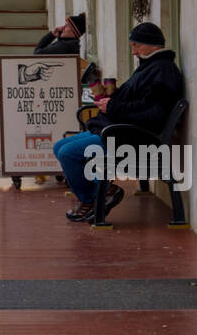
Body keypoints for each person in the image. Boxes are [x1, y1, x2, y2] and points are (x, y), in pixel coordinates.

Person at [52, 21, 185, 223]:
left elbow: (154, 114)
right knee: (59, 146)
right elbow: (138, 102)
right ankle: (105, 191)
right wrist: (110, 103)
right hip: (121, 131)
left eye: (136, 46)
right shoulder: (150, 67)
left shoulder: (163, 71)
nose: (133, 51)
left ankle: (92, 198)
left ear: (153, 45)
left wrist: (113, 107)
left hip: (134, 138)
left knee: (67, 153)